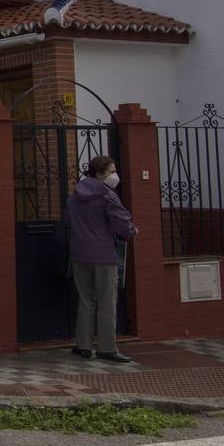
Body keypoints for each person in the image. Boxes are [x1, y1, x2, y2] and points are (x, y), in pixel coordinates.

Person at [65, 155, 138, 363]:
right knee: (107, 301)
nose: (115, 175)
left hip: (79, 253)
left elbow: (68, 219)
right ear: (99, 174)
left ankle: (83, 345)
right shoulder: (108, 195)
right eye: (111, 171)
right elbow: (121, 221)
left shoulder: (74, 196)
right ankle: (107, 348)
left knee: (86, 300)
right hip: (103, 254)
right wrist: (132, 230)